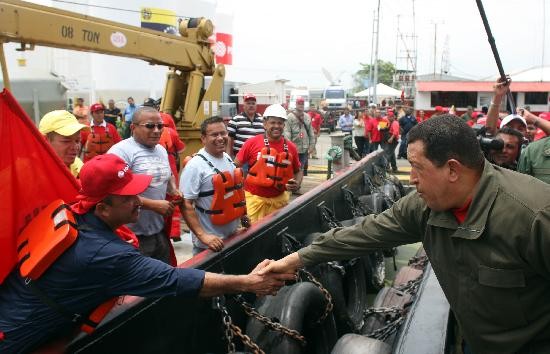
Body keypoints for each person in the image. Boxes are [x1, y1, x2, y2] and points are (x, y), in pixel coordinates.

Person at [260, 114, 550, 354]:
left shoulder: (533, 216)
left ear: (452, 169)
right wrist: (295, 260)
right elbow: (365, 232)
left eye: (417, 168)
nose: (410, 178)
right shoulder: (425, 205)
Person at [0, 154, 294, 353]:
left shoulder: (72, 213)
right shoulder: (106, 255)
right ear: (102, 207)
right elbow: (180, 281)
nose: (139, 201)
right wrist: (249, 282)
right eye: (129, 197)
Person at [108, 106, 179, 264]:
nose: (156, 130)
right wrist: (153, 205)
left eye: (160, 126)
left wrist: (173, 189)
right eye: (149, 126)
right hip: (132, 236)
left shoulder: (160, 150)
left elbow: (167, 175)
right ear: (133, 128)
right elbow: (114, 193)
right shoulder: (120, 152)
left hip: (159, 232)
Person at [181, 116, 249, 255]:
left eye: (223, 133)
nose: (220, 138)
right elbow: (185, 204)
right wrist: (203, 236)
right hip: (209, 245)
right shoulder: (195, 166)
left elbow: (234, 191)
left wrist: (242, 215)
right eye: (214, 134)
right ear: (203, 138)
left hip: (232, 236)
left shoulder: (227, 158)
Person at [236, 104, 302, 223]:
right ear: (265, 124)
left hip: (279, 202)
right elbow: (235, 166)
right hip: (254, 202)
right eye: (272, 123)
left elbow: (298, 171)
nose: (276, 126)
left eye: (280, 123)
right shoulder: (251, 143)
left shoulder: (291, 147)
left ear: (284, 125)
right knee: (251, 236)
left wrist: (297, 184)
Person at [38, 110, 89, 178]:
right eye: (66, 141)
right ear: (45, 141)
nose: (75, 147)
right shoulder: (27, 172)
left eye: (77, 141)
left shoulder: (80, 169)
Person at [226, 93, 264, 157]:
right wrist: (228, 158)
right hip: (240, 158)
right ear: (243, 105)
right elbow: (229, 142)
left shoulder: (263, 120)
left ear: (256, 106)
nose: (251, 105)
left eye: (253, 103)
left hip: (258, 157)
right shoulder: (235, 120)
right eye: (248, 103)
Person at [284, 97, 314, 176]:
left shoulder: (307, 117)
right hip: (294, 148)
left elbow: (311, 133)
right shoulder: (290, 117)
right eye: (299, 103)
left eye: (302, 104)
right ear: (296, 104)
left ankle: (298, 184)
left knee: (301, 168)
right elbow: (287, 132)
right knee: (293, 167)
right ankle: (293, 183)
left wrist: (311, 146)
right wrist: (290, 147)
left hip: (304, 148)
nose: (301, 105)